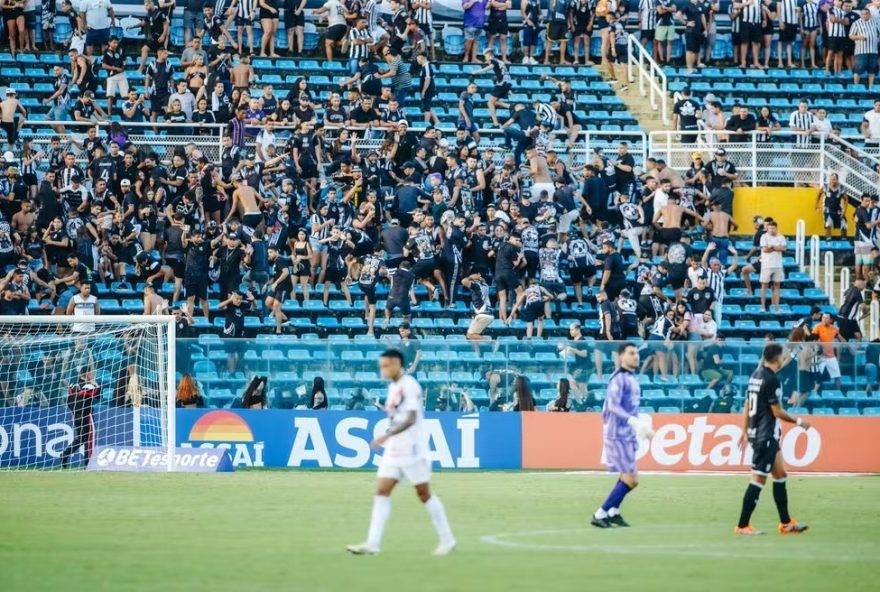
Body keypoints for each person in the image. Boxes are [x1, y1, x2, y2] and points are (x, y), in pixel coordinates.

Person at [347, 349, 456, 556]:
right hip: (394, 450)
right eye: (381, 366)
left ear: (397, 364)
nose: (383, 369)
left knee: (424, 494)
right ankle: (372, 543)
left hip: (412, 449)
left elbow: (411, 418)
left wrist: (386, 435)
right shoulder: (393, 387)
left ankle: (448, 540)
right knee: (381, 491)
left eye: (386, 365)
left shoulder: (409, 385)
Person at [735, 343, 810, 535]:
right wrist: (799, 422)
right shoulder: (771, 379)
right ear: (777, 358)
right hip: (765, 434)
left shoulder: (755, 375)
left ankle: (786, 523)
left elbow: (746, 404)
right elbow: (777, 411)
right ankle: (743, 525)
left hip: (761, 432)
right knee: (758, 479)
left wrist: (744, 431)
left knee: (780, 475)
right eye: (783, 355)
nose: (785, 357)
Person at [591, 342, 653, 529]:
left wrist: (638, 425)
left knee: (627, 476)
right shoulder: (618, 379)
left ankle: (613, 512)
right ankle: (600, 513)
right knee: (632, 479)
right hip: (617, 434)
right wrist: (633, 421)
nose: (636, 356)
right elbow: (612, 406)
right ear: (620, 357)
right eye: (631, 353)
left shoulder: (631, 378)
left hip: (626, 433)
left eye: (636, 353)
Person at [60, 366, 101, 469]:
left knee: (81, 438)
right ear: (85, 374)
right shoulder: (89, 386)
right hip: (86, 415)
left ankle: (65, 454)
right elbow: (97, 396)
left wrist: (73, 412)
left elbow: (69, 401)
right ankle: (88, 465)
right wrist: (96, 385)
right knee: (89, 440)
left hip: (76, 416)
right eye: (91, 372)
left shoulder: (73, 385)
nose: (93, 374)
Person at [758, 220, 786, 312]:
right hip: (766, 264)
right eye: (769, 228)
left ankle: (777, 307)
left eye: (773, 228)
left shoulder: (781, 237)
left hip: (777, 265)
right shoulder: (764, 236)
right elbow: (765, 249)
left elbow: (784, 248)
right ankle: (762, 306)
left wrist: (772, 247)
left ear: (776, 228)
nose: (771, 230)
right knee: (764, 285)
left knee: (777, 286)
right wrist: (776, 248)